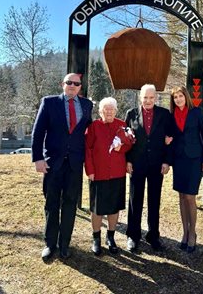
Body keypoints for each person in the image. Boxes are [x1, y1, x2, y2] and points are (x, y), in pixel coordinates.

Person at [32, 73, 93, 260]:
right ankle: (50, 244)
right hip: (53, 163)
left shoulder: (87, 105)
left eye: (76, 84)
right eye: (69, 83)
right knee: (52, 203)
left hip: (74, 164)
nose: (73, 86)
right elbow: (38, 131)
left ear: (80, 87)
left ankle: (65, 244)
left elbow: (90, 131)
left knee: (69, 204)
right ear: (63, 84)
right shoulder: (49, 102)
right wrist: (38, 159)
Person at [85, 97, 135, 256]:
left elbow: (131, 142)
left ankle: (111, 237)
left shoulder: (123, 125)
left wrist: (122, 147)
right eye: (105, 109)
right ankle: (96, 238)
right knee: (97, 209)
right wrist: (90, 170)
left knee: (114, 207)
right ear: (100, 111)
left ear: (115, 110)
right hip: (98, 174)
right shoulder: (94, 126)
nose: (109, 112)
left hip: (117, 173)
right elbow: (87, 149)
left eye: (111, 109)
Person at [125, 84, 172, 252]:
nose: (148, 100)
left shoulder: (165, 115)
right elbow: (126, 140)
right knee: (134, 200)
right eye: (145, 97)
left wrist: (166, 162)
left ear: (156, 98)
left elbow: (170, 140)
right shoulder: (131, 114)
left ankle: (153, 236)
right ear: (140, 98)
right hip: (137, 164)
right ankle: (133, 236)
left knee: (154, 201)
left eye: (151, 97)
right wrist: (128, 160)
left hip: (157, 164)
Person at [168, 85, 203, 253]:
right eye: (175, 97)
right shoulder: (171, 116)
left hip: (195, 159)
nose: (178, 99)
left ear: (186, 96)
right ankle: (184, 232)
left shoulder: (196, 112)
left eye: (180, 96)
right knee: (181, 197)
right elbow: (170, 137)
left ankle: (192, 233)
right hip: (179, 160)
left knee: (190, 197)